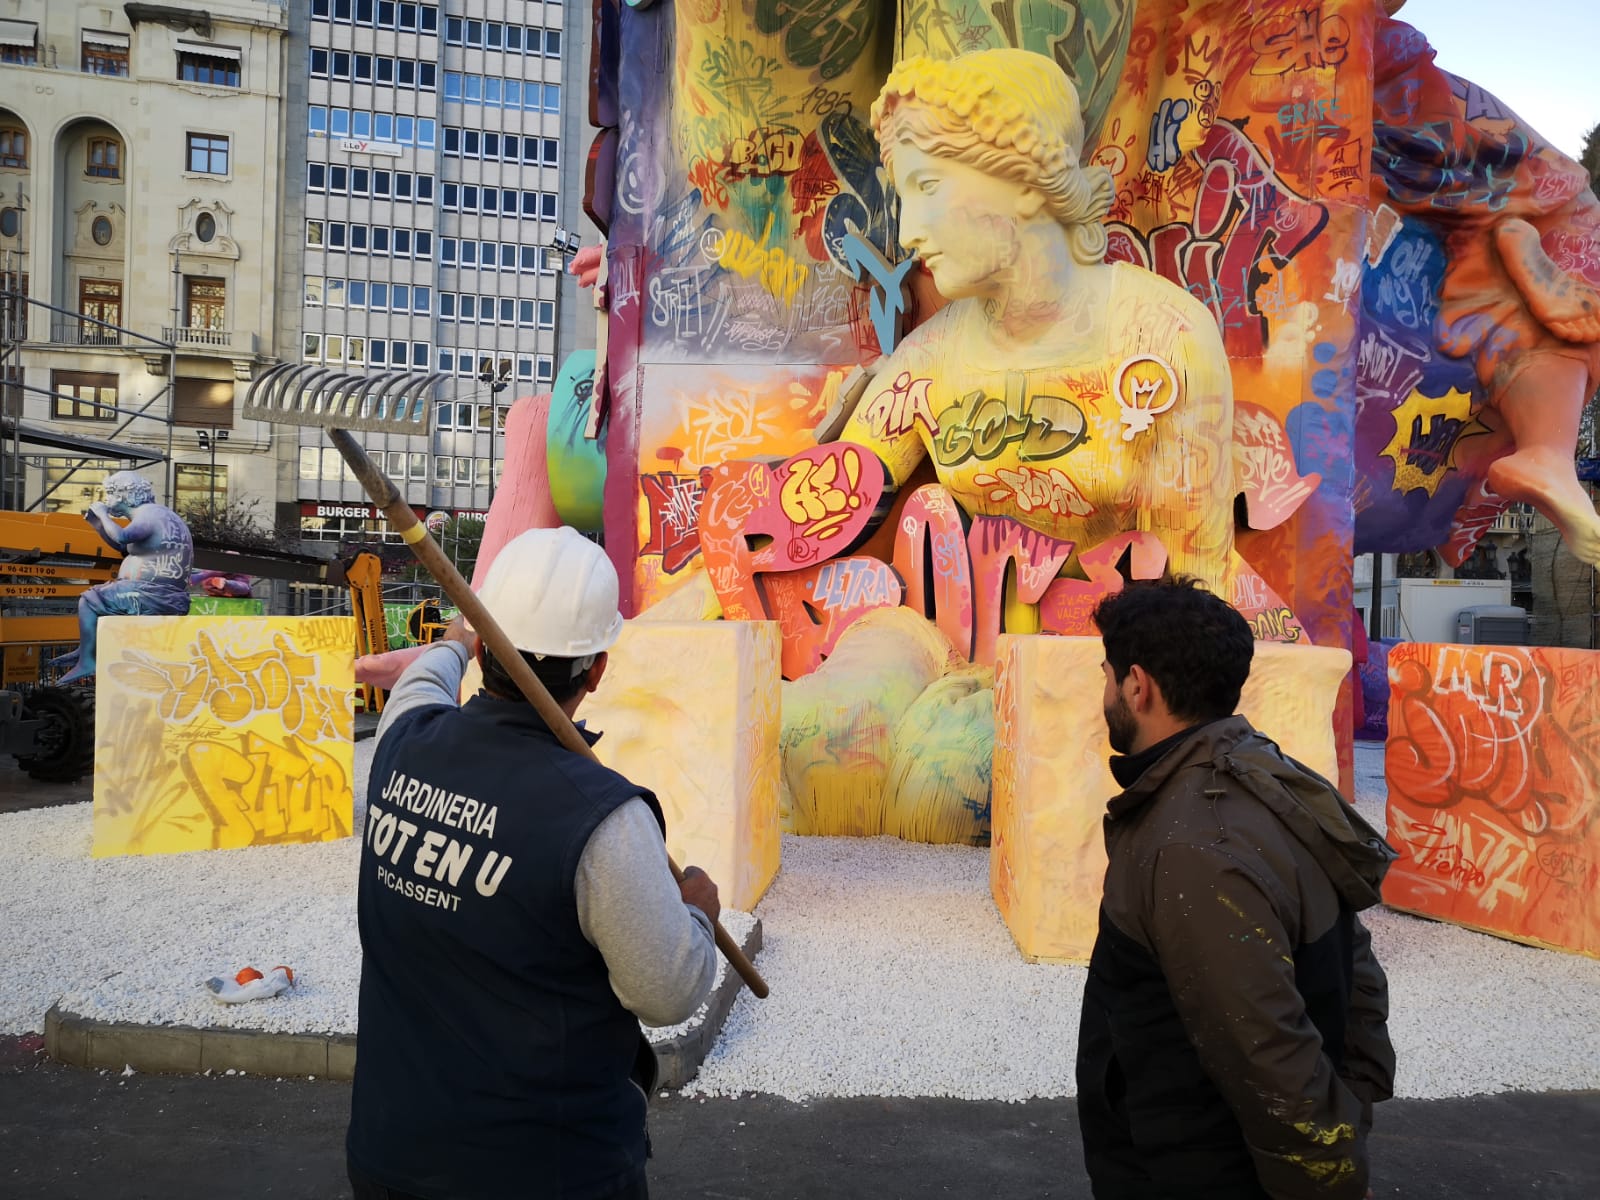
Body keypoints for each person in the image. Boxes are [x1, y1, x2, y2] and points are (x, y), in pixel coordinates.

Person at [347, 526, 721, 1200]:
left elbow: (424, 682)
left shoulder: (402, 742)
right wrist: (697, 909)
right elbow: (667, 991)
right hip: (545, 1174)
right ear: (599, 668)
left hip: (390, 1158)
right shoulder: (602, 817)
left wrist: (453, 643)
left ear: (486, 643)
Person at [1077, 578, 1398, 1200]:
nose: (1106, 692)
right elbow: (1357, 962)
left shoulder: (1194, 845)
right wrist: (1357, 1090)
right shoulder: (1262, 776)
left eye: (1107, 676)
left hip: (1190, 1168)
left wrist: (1332, 1173)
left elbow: (1268, 1049)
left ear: (1137, 686)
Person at [58, 470, 192, 683]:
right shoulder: (159, 514)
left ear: (121, 495)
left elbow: (121, 536)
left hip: (151, 595)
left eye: (108, 494)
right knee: (105, 609)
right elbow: (123, 546)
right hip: (157, 594)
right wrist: (97, 524)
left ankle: (87, 661)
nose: (107, 499)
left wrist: (103, 514)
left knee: (89, 600)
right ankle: (87, 649)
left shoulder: (148, 515)